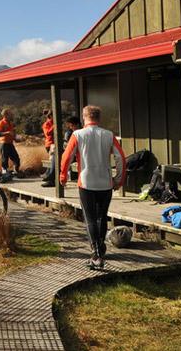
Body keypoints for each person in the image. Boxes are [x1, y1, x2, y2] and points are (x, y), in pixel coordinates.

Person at [60, 105, 126, 269]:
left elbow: (66, 157)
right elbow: (121, 159)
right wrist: (119, 179)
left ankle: (96, 255)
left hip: (86, 182)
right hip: (105, 183)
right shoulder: (109, 135)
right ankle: (100, 249)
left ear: (84, 117)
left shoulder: (77, 134)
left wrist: (63, 176)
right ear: (99, 117)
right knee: (102, 217)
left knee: (90, 219)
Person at [42, 114, 81, 187]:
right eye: (69, 126)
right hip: (72, 155)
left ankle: (52, 178)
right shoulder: (70, 133)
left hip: (77, 156)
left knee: (59, 156)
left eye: (71, 125)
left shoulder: (80, 133)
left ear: (77, 125)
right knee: (57, 155)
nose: (70, 127)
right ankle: (52, 178)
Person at [0, 108, 20, 178]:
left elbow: (13, 134)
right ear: (5, 115)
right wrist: (7, 133)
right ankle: (4, 175)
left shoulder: (11, 123)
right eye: (10, 114)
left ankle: (15, 172)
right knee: (4, 160)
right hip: (3, 144)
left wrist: (16, 139)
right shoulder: (1, 123)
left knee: (16, 159)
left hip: (10, 143)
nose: (12, 115)